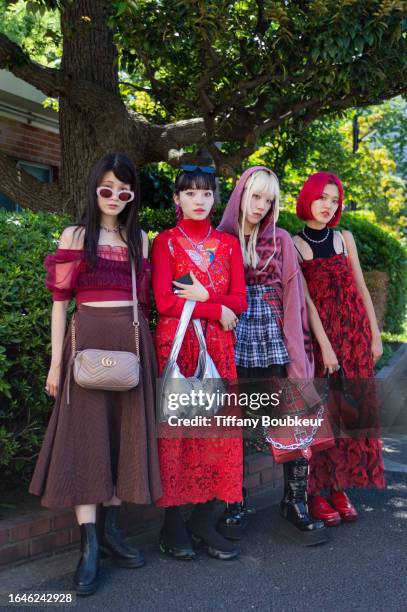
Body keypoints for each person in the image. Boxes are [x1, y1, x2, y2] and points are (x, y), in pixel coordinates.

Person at [29, 152, 162, 595]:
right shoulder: (75, 234)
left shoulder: (138, 239)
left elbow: (146, 302)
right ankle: (88, 546)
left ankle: (112, 531)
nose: (114, 197)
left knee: (123, 439)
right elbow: (59, 303)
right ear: (93, 189)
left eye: (124, 191)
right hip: (84, 345)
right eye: (106, 188)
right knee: (86, 441)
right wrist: (55, 363)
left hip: (130, 343)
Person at [218, 166, 327, 545]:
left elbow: (295, 304)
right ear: (241, 194)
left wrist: (301, 360)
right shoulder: (219, 240)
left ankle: (294, 501)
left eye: (269, 199)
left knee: (288, 416)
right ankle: (235, 501)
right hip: (231, 340)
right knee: (235, 423)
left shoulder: (280, 240)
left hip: (275, 342)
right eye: (256, 196)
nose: (261, 206)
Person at [151, 166, 247, 561]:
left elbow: (239, 301)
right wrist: (214, 305)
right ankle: (173, 524)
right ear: (177, 199)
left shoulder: (228, 244)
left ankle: (204, 519)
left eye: (206, 193)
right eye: (190, 193)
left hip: (219, 350)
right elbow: (164, 302)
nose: (199, 200)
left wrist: (209, 299)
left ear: (214, 198)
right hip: (178, 346)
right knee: (178, 435)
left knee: (218, 434)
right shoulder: (166, 243)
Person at [292, 170, 385, 526]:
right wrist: (326, 348)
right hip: (323, 344)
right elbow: (308, 305)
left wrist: (374, 335)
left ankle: (340, 488)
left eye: (335, 200)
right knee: (324, 417)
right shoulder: (295, 243)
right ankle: (317, 493)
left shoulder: (345, 238)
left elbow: (361, 288)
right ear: (308, 198)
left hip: (356, 337)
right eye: (322, 198)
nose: (328, 206)